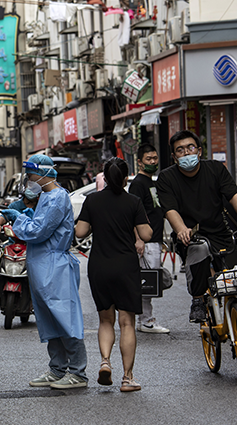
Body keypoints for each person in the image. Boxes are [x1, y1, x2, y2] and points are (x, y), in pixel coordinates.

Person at [75, 158, 153, 392]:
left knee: (105, 320)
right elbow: (147, 234)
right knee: (126, 322)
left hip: (99, 265)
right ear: (126, 177)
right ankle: (128, 378)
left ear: (105, 178)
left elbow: (80, 232)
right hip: (125, 266)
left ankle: (105, 361)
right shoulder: (133, 201)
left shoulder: (92, 200)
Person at [11, 155, 88, 390]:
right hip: (41, 264)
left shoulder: (57, 197)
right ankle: (57, 368)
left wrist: (18, 218)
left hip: (55, 264)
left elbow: (39, 231)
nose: (29, 180)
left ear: (43, 174)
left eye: (31, 174)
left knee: (65, 318)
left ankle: (77, 372)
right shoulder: (45, 196)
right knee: (48, 319)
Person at [156, 130, 237, 322]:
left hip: (220, 231)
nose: (186, 153)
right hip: (191, 236)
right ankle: (198, 300)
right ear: (174, 157)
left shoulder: (216, 169)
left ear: (199, 151)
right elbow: (170, 209)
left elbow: (233, 195)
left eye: (190, 148)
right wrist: (181, 229)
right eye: (180, 150)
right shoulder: (167, 178)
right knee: (198, 249)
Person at [129, 144, 169, 334]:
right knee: (147, 282)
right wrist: (139, 239)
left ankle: (144, 319)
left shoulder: (151, 182)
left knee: (149, 280)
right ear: (139, 162)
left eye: (155, 158)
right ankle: (146, 320)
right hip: (147, 241)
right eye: (148, 159)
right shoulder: (138, 184)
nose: (153, 162)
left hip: (154, 240)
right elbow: (134, 213)